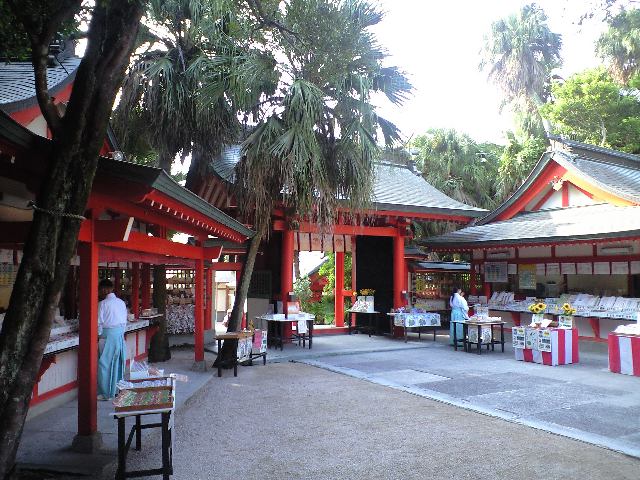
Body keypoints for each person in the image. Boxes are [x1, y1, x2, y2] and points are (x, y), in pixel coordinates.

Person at [97, 278, 127, 400]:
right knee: (117, 363)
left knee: (104, 364)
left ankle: (106, 393)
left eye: (100, 290)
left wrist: (98, 335)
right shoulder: (121, 302)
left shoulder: (103, 304)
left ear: (104, 289)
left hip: (107, 336)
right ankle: (117, 389)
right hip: (119, 335)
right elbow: (124, 321)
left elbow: (98, 322)